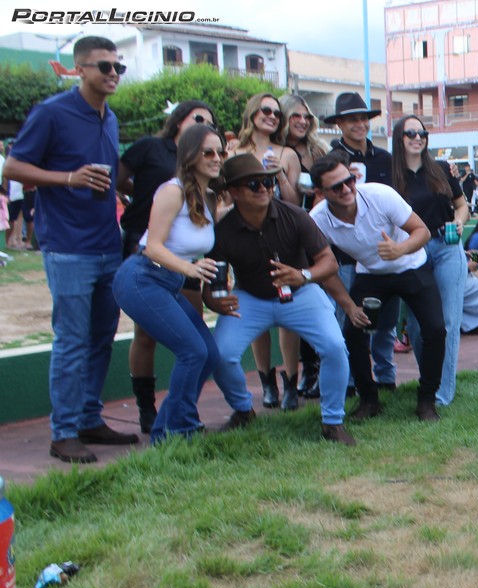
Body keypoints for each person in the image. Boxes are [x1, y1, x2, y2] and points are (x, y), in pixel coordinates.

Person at [4, 35, 137, 463]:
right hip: (67, 247)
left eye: (119, 67)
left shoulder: (110, 117)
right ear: (79, 69)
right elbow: (13, 167)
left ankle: (88, 419)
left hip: (107, 243)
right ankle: (63, 433)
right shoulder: (52, 112)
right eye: (105, 66)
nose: (114, 73)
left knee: (101, 338)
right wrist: (68, 178)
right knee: (72, 341)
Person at [205, 154, 360, 446]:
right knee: (221, 354)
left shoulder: (295, 215)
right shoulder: (223, 231)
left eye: (268, 181)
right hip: (250, 296)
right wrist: (215, 302)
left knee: (334, 345)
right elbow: (212, 283)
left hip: (301, 293)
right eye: (254, 184)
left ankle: (333, 422)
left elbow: (328, 263)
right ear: (234, 192)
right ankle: (243, 410)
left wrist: (302, 275)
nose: (265, 188)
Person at [308, 153, 445, 423]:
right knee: (353, 332)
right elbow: (324, 267)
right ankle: (369, 399)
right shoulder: (317, 219)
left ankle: (427, 399)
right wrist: (349, 306)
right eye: (336, 187)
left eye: (349, 180)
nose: (347, 189)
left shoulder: (380, 195)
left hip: (412, 265)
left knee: (435, 329)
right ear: (320, 193)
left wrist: (400, 248)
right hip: (371, 273)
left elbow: (422, 231)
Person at [112, 125, 223, 443]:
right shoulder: (172, 191)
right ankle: (180, 430)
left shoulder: (207, 196)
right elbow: (153, 247)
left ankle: (167, 428)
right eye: (208, 152)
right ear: (190, 155)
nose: (216, 158)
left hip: (167, 282)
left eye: (220, 152)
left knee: (208, 354)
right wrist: (190, 268)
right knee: (192, 351)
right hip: (142, 277)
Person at [388, 115, 470, 406]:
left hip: (447, 247)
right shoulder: (390, 176)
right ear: (399, 138)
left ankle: (441, 393)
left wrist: (460, 221)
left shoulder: (441, 170)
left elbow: (461, 205)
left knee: (447, 321)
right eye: (410, 133)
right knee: (418, 325)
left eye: (422, 133)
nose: (417, 138)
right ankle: (430, 378)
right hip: (413, 252)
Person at [231, 92, 305, 411]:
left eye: (276, 113)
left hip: (281, 236)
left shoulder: (287, 154)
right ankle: (266, 382)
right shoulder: (234, 152)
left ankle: (291, 382)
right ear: (252, 113)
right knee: (254, 308)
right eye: (265, 110)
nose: (272, 116)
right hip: (245, 237)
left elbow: (294, 202)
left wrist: (279, 174)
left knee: (287, 308)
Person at [325, 92, 399, 393]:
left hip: (382, 252)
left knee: (386, 319)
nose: (360, 124)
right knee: (347, 317)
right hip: (346, 254)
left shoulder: (384, 158)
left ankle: (386, 375)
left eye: (363, 118)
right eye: (352, 119)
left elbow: (396, 202)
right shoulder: (332, 159)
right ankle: (351, 380)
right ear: (339, 124)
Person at [280, 93, 330, 402]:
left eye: (306, 116)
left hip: (318, 230)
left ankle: (319, 368)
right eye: (295, 116)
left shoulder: (319, 150)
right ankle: (304, 370)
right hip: (285, 233)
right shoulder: (275, 151)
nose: (301, 121)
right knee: (292, 303)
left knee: (319, 301)